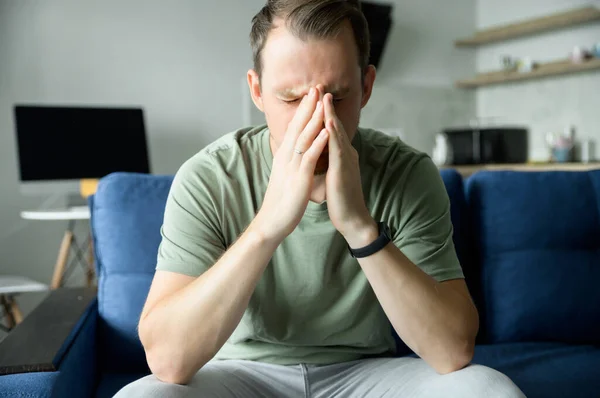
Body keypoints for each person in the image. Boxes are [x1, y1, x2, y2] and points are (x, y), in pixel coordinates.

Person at [116, 1, 526, 397]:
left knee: (490, 389)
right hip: (239, 374)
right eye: (291, 99)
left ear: (366, 87)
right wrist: (267, 226)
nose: (313, 120)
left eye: (338, 96)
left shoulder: (407, 174)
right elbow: (168, 360)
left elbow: (453, 350)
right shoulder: (209, 177)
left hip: (367, 373)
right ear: (257, 91)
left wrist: (360, 227)